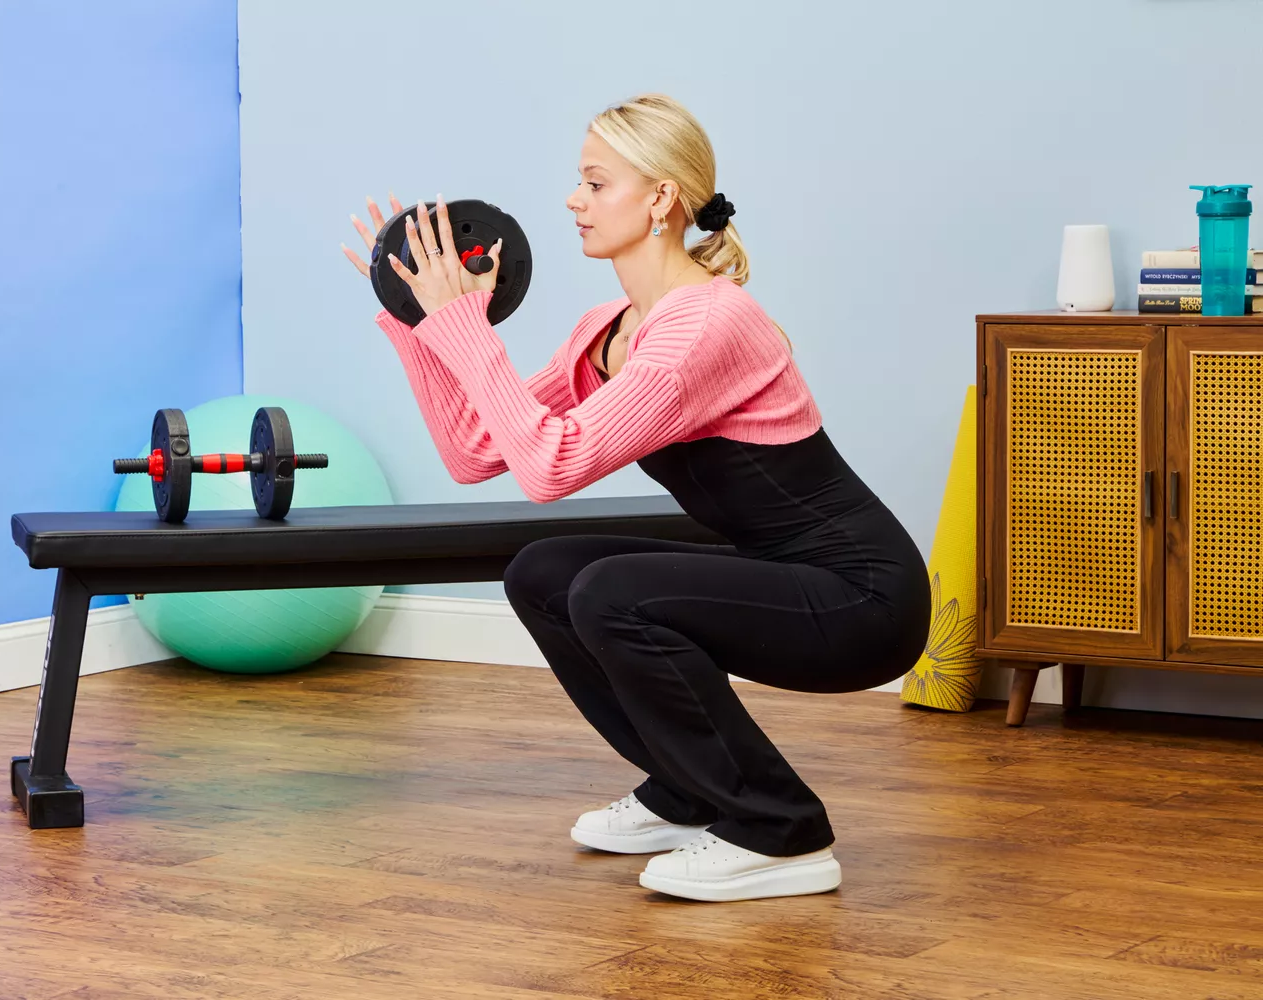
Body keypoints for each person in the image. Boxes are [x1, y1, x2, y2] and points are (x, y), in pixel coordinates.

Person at [341, 93, 931, 903]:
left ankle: (779, 831)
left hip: (863, 602)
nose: (571, 201)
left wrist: (465, 330)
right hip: (779, 575)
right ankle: (688, 792)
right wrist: (419, 325)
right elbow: (476, 452)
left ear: (660, 200)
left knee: (614, 593)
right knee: (544, 571)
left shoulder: (707, 325)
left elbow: (550, 469)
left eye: (594, 182)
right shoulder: (610, 327)